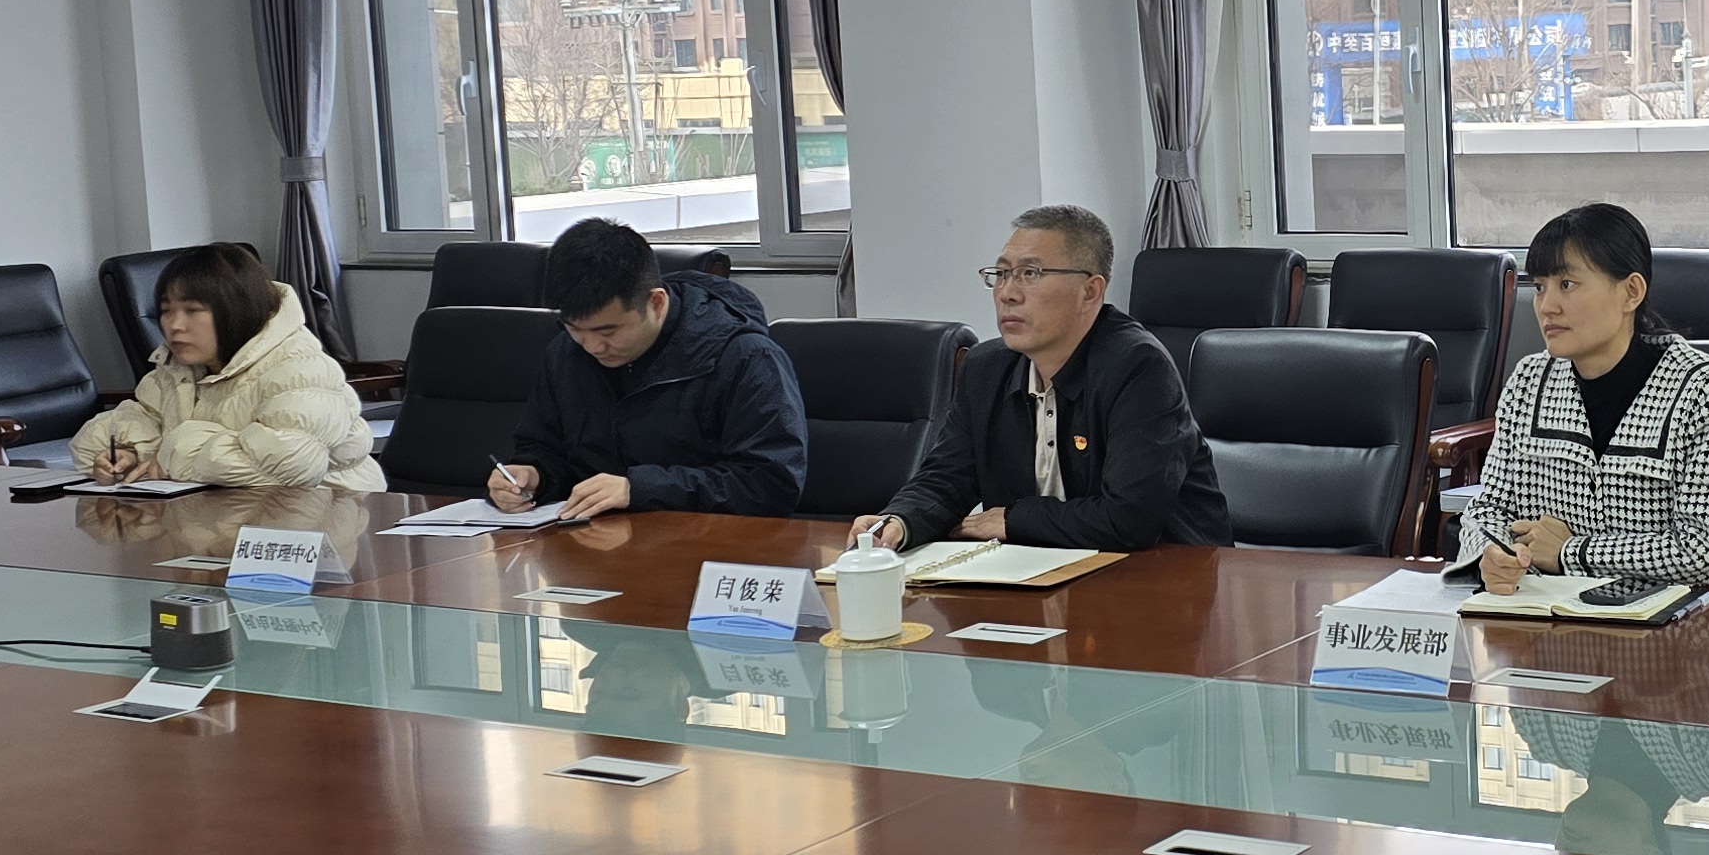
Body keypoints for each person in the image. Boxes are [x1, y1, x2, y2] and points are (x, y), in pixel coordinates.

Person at [853, 205, 1228, 553]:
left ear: (1090, 292)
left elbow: (1129, 519)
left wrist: (1013, 519)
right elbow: (947, 478)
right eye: (1002, 274)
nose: (1007, 293)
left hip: (1164, 575)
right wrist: (899, 520)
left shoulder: (1137, 367)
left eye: (1030, 274)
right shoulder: (985, 368)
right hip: (1038, 574)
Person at [1465, 203, 1709, 594]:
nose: (1546, 306)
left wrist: (1572, 552)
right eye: (1539, 286)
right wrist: (1491, 553)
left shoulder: (1703, 392)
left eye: (1567, 284)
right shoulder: (1528, 383)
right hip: (1546, 615)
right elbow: (1488, 509)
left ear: (1631, 292)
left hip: (1675, 623)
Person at [489, 217, 809, 523]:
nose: (593, 346)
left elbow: (770, 484)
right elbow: (543, 447)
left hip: (710, 545)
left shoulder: (743, 357)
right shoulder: (565, 353)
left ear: (656, 303)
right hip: (592, 541)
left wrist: (640, 489)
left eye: (608, 331)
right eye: (575, 329)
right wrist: (532, 476)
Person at [70, 242, 382, 493]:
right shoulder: (178, 370)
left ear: (236, 310)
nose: (174, 325)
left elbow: (289, 464)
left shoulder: (299, 368)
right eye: (166, 310)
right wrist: (127, 453)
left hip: (326, 520)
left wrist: (173, 453)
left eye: (192, 310)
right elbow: (126, 426)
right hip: (226, 519)